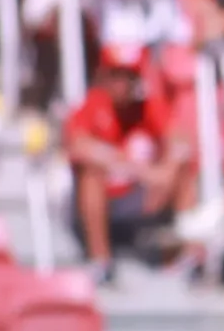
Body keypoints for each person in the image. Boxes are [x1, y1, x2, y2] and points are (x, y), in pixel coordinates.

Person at [66, 44, 192, 279]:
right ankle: (100, 261)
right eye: (116, 76)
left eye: (128, 76)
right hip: (101, 198)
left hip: (138, 196)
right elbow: (79, 146)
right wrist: (145, 172)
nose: (122, 85)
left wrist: (166, 171)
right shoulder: (91, 106)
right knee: (91, 175)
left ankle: (186, 258)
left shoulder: (148, 107)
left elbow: (181, 141)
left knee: (184, 172)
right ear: (104, 76)